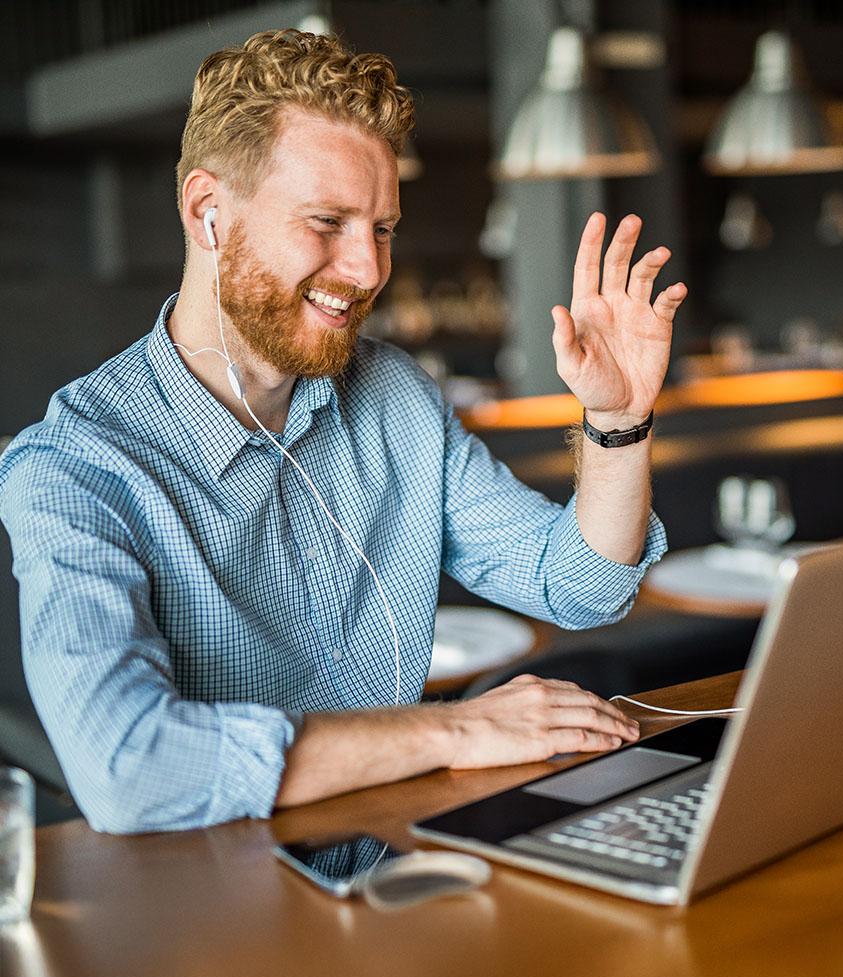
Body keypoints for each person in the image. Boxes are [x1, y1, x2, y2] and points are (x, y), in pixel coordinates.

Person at [0, 30, 687, 834]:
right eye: (327, 221)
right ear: (206, 212)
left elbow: (579, 587)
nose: (366, 270)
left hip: (405, 874)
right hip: (221, 925)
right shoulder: (75, 467)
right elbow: (127, 767)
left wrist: (616, 419)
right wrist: (458, 729)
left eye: (383, 228)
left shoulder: (393, 395)